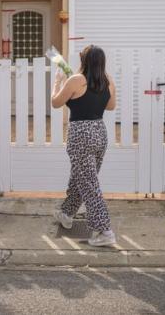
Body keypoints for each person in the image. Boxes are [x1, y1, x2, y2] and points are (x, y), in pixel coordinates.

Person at [51, 45, 117, 247]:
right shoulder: (107, 80)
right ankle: (66, 214)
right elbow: (111, 106)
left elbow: (56, 102)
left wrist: (57, 82)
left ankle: (104, 230)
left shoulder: (76, 80)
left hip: (80, 134)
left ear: (84, 60)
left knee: (88, 183)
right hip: (99, 132)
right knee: (82, 177)